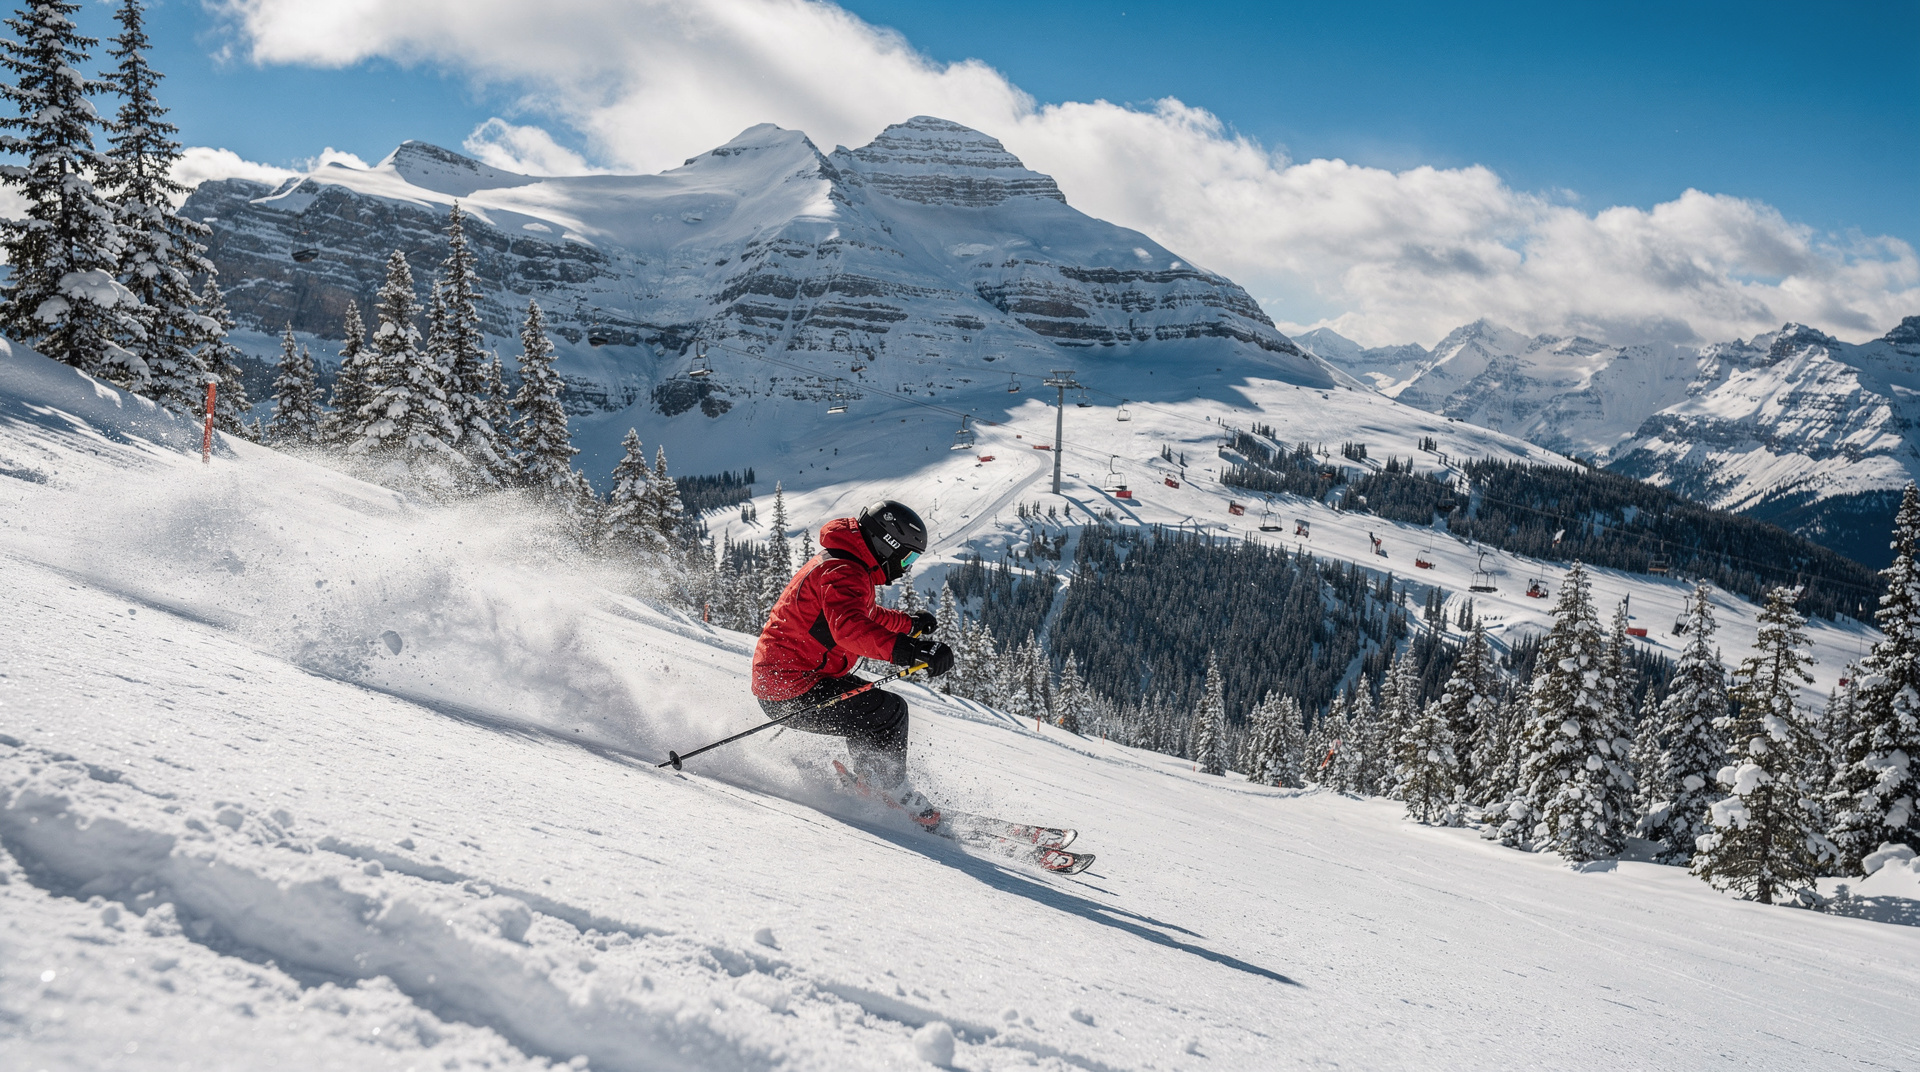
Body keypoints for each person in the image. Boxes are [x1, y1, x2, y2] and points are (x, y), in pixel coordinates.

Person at [751, 499, 956, 825]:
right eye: (908, 556)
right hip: (790, 688)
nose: (906, 566)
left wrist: (910, 625)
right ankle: (892, 791)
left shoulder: (846, 565)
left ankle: (872, 780)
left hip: (795, 678)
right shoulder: (843, 571)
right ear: (887, 545)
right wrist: (908, 651)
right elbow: (849, 629)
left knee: (872, 710)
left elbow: (865, 615)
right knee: (889, 713)